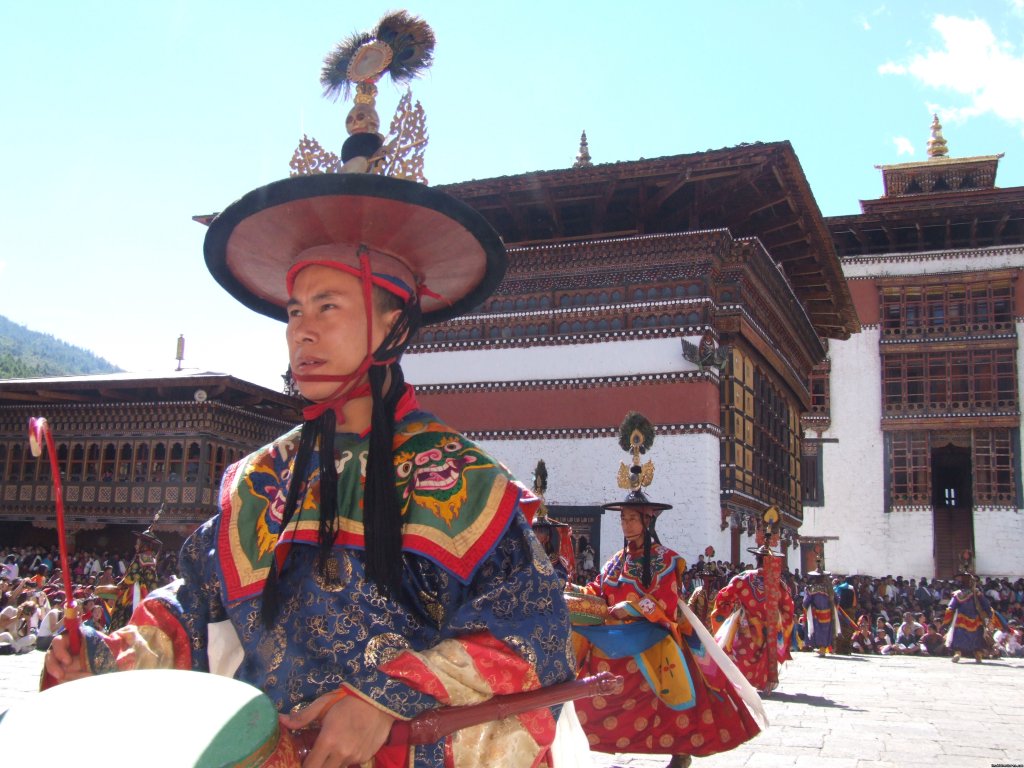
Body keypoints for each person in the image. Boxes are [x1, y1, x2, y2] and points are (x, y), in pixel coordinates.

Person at [44, 16, 574, 767]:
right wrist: (107, 653)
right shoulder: (262, 479)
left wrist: (383, 699)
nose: (301, 333)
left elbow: (534, 635)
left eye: (329, 307)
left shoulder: (468, 483)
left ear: (395, 324)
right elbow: (191, 607)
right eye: (295, 311)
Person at [567, 421, 762, 767]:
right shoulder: (614, 562)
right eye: (623, 520)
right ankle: (592, 743)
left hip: (652, 636)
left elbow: (666, 604)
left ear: (648, 521)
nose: (626, 525)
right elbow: (599, 591)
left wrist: (629, 609)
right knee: (587, 690)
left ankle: (679, 749)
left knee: (673, 691)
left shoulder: (669, 561)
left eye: (632, 519)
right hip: (614, 638)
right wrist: (577, 594)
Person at [711, 542, 795, 694]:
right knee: (766, 655)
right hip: (769, 628)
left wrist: (728, 613)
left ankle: (740, 684)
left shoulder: (742, 579)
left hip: (745, 627)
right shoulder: (778, 584)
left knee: (742, 653)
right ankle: (764, 683)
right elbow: (788, 608)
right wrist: (782, 623)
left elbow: (723, 598)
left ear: (756, 558)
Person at [942, 569, 993, 663]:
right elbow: (986, 605)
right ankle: (973, 654)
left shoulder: (961, 594)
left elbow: (950, 608)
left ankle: (963, 653)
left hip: (964, 620)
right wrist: (989, 615)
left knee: (963, 637)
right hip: (972, 620)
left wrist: (946, 620)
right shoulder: (973, 593)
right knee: (974, 637)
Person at [802, 562, 839, 657]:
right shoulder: (829, 588)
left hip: (816, 613)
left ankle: (822, 649)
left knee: (818, 630)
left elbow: (805, 602)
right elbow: (837, 599)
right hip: (828, 613)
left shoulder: (810, 589)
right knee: (826, 631)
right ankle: (823, 648)